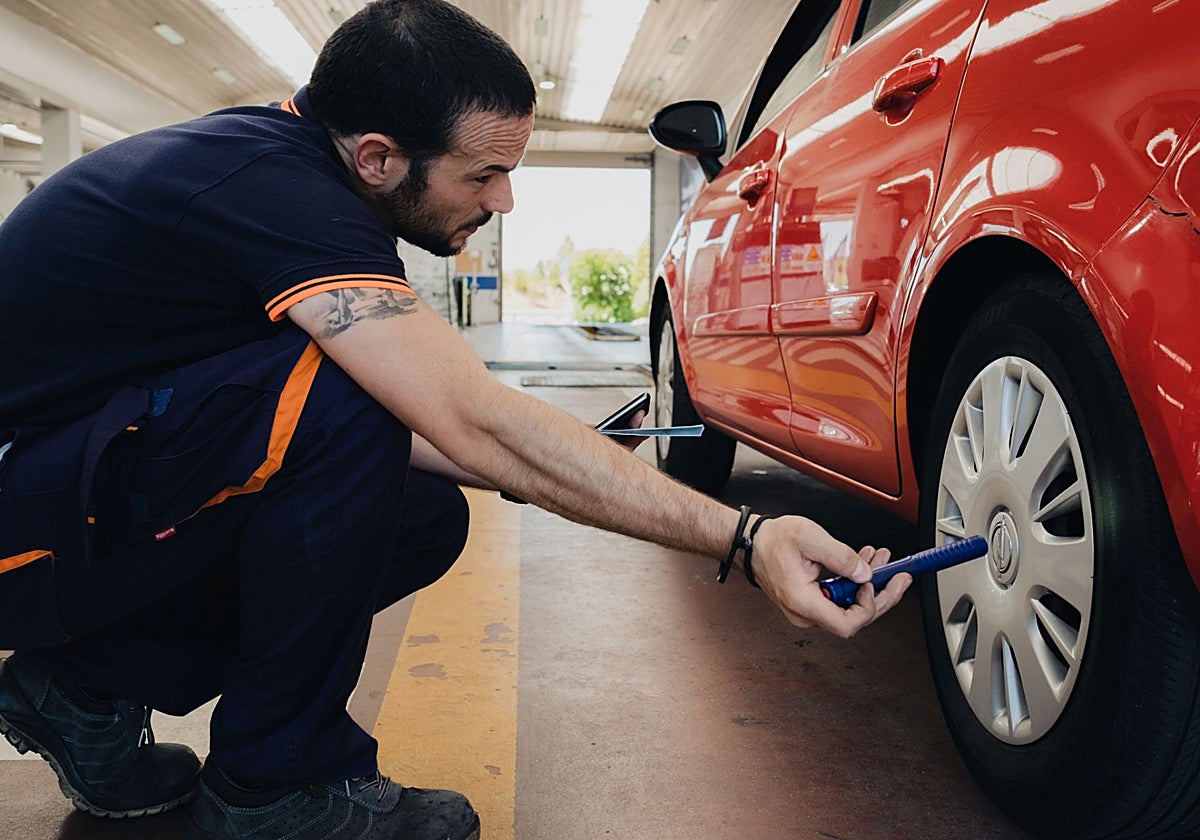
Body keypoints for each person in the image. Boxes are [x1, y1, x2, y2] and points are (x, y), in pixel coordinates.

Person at [0, 1, 911, 838]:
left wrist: (580, 459)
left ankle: (89, 690)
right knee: (351, 401)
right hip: (21, 526)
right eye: (487, 174)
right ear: (377, 158)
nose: (504, 199)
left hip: (62, 493)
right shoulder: (282, 194)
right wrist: (746, 540)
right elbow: (464, 418)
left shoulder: (281, 167)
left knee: (415, 515)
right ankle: (278, 784)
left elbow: (444, 435)